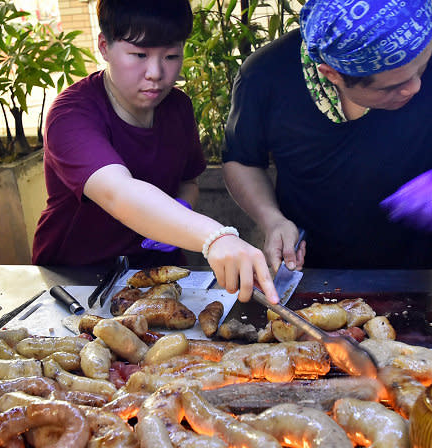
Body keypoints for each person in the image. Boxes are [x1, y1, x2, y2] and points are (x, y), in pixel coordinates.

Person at [222, 0, 432, 272]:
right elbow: (242, 160)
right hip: (304, 272)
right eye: (392, 87)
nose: (415, 88)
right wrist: (271, 219)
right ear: (332, 74)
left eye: (422, 70)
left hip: (409, 275)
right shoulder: (265, 75)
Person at [32, 0, 277, 302]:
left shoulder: (177, 106)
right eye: (139, 55)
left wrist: (182, 206)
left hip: (160, 275)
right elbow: (117, 192)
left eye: (171, 56)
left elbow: (187, 181)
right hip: (78, 280)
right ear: (104, 47)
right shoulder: (71, 115)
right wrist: (215, 236)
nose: (156, 73)